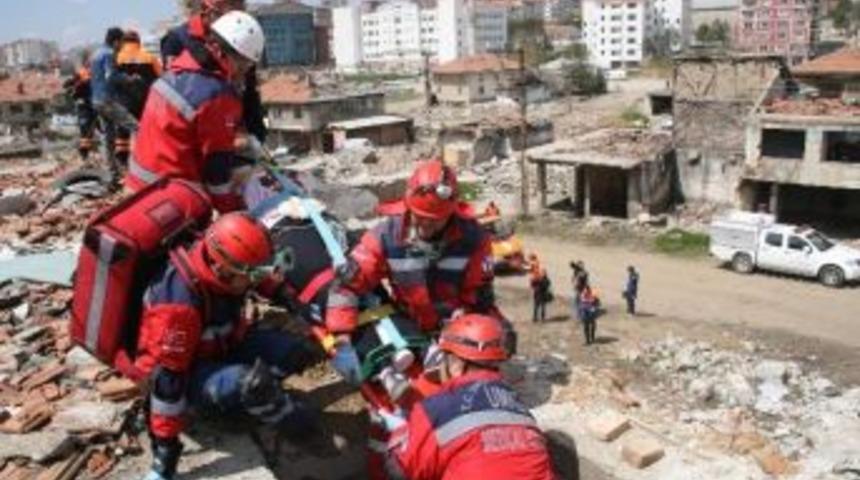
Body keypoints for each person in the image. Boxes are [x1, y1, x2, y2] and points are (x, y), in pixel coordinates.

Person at [132, 213, 316, 480]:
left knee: (294, 352)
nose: (254, 280)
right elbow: (166, 385)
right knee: (253, 384)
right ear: (222, 271)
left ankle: (253, 398)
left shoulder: (225, 264)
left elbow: (256, 274)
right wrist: (165, 453)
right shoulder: (178, 307)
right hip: (191, 373)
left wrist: (286, 297)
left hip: (226, 344)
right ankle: (285, 420)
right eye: (250, 275)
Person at [325, 159, 508, 345]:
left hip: (457, 325)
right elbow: (346, 284)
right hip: (407, 326)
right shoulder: (386, 236)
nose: (427, 225)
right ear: (408, 206)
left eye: (436, 220)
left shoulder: (473, 239)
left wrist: (467, 314)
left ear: (451, 213)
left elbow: (479, 294)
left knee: (502, 339)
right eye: (420, 217)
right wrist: (341, 333)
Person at [384, 313, 556, 480]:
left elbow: (401, 470)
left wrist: (400, 433)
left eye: (444, 360)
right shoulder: (520, 409)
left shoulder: (437, 409)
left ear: (457, 364)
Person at [127, 10, 265, 213]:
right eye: (243, 64)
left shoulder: (183, 66)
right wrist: (236, 212)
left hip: (138, 184)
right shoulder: (217, 95)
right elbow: (216, 175)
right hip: (167, 200)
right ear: (220, 51)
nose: (242, 73)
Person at [161, 0, 267, 143]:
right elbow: (175, 99)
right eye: (229, 16)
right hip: (196, 137)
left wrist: (257, 137)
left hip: (235, 134)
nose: (237, 23)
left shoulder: (240, 35)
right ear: (208, 11)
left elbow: (249, 92)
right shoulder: (178, 40)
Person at [112, 30, 162, 167]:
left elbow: (111, 79)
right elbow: (161, 77)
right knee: (145, 129)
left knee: (123, 131)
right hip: (146, 100)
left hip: (124, 101)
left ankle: (122, 161)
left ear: (123, 42)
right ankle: (148, 159)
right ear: (138, 42)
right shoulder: (149, 57)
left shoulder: (116, 58)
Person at [89, 27, 125, 178]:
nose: (122, 45)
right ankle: (145, 165)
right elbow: (111, 76)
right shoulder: (109, 53)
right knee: (136, 126)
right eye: (121, 42)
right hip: (107, 100)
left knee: (108, 137)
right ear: (116, 41)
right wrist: (128, 79)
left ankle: (111, 172)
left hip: (96, 99)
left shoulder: (96, 54)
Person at [63, 53, 96, 160]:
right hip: (85, 104)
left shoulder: (90, 73)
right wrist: (78, 85)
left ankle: (86, 153)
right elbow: (67, 85)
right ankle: (84, 154)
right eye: (89, 60)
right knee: (86, 128)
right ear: (86, 61)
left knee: (89, 129)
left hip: (91, 104)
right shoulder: (81, 73)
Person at [528, 254, 549, 323]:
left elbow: (545, 285)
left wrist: (536, 282)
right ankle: (536, 318)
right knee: (537, 306)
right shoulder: (538, 276)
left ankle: (540, 318)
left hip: (541, 293)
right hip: (538, 293)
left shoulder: (543, 279)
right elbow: (533, 284)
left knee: (541, 306)